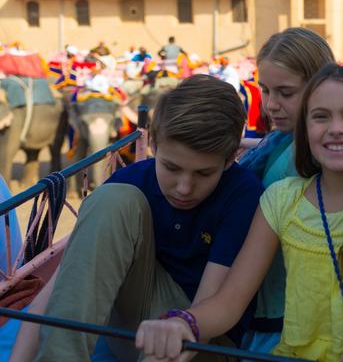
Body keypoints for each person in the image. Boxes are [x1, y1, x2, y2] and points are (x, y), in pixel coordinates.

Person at [135, 65, 343, 362]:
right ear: (304, 129)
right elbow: (230, 301)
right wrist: (183, 322)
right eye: (320, 117)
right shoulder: (280, 200)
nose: (336, 128)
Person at [10, 75, 264, 361]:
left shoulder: (243, 195)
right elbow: (64, 285)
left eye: (204, 173)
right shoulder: (129, 181)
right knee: (113, 199)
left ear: (230, 159)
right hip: (134, 327)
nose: (184, 187)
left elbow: (212, 308)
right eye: (171, 167)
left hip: (201, 336)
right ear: (153, 143)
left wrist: (182, 326)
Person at [237, 27, 335, 355]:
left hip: (282, 318)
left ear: (320, 89)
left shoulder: (306, 154)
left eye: (286, 93)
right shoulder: (282, 141)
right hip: (268, 302)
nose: (271, 105)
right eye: (265, 91)